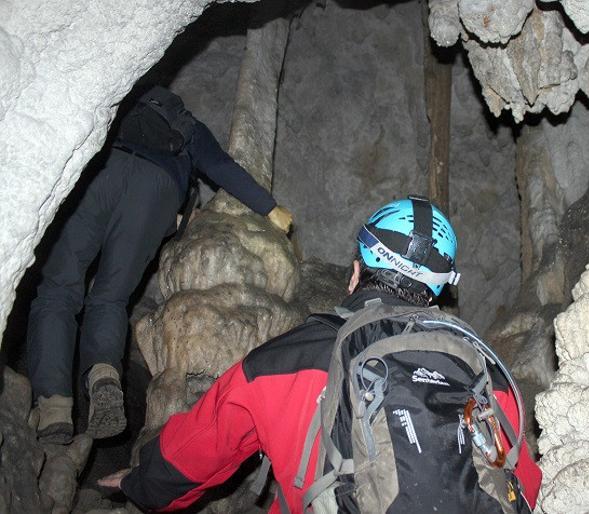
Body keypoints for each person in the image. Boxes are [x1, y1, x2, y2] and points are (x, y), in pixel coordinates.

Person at [99, 196, 542, 513]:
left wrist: (142, 483)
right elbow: (523, 481)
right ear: (438, 292)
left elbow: (199, 446)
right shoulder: (478, 370)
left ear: (355, 274)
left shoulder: (287, 358)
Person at [27, 86, 293, 444]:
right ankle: (104, 373)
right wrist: (270, 208)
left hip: (101, 173)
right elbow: (220, 167)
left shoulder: (120, 102)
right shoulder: (190, 128)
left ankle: (54, 408)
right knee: (110, 298)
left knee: (58, 291)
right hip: (157, 191)